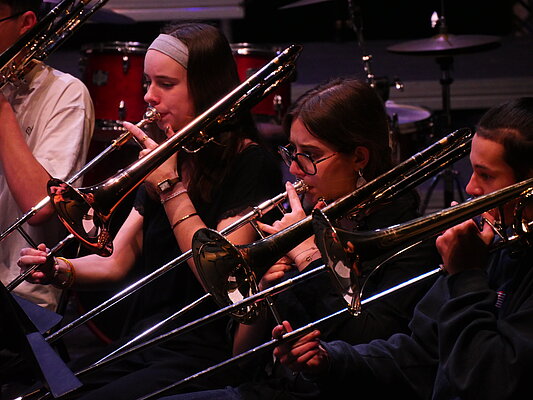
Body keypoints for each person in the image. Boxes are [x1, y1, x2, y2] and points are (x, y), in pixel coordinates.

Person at [15, 21, 283, 400]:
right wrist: (60, 269)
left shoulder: (251, 163)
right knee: (40, 393)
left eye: (166, 84)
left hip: (201, 351)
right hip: (146, 339)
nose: (149, 96)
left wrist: (170, 186)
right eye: (147, 82)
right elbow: (117, 261)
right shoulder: (173, 154)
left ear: (206, 88)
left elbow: (222, 279)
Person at [156, 78, 441, 399]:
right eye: (292, 151)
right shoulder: (308, 218)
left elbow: (370, 344)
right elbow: (241, 360)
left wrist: (309, 257)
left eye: (310, 155)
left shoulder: (409, 239)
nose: (294, 168)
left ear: (359, 158)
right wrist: (262, 297)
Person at [272, 97, 533, 399]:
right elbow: (417, 355)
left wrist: (466, 277)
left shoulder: (474, 259)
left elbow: (490, 380)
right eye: (472, 171)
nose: (471, 188)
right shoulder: (496, 245)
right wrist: (330, 360)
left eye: (486, 175)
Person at [0, 0, 94, 312]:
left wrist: (1, 109)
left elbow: (39, 207)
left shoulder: (66, 94)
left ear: (25, 23)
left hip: (20, 300)